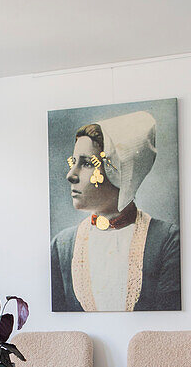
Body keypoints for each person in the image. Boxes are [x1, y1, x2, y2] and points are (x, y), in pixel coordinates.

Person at [50, 111, 181, 311]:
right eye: (73, 162)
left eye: (86, 163)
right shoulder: (63, 246)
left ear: (119, 170)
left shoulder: (166, 240)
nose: (71, 175)